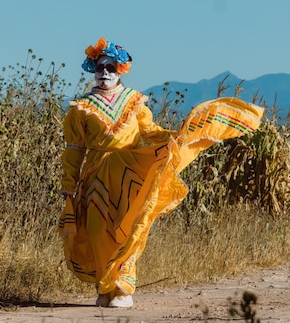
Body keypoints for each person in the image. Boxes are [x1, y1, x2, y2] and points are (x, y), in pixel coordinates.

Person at [58, 38, 264, 308]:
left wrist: (175, 139)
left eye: (110, 67)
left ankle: (122, 287)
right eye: (99, 68)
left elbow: (150, 132)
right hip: (96, 176)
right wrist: (68, 181)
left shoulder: (134, 102)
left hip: (130, 172)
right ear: (92, 70)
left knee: (130, 227)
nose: (104, 73)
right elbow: (75, 148)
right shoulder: (82, 107)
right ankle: (104, 287)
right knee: (97, 231)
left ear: (120, 70)